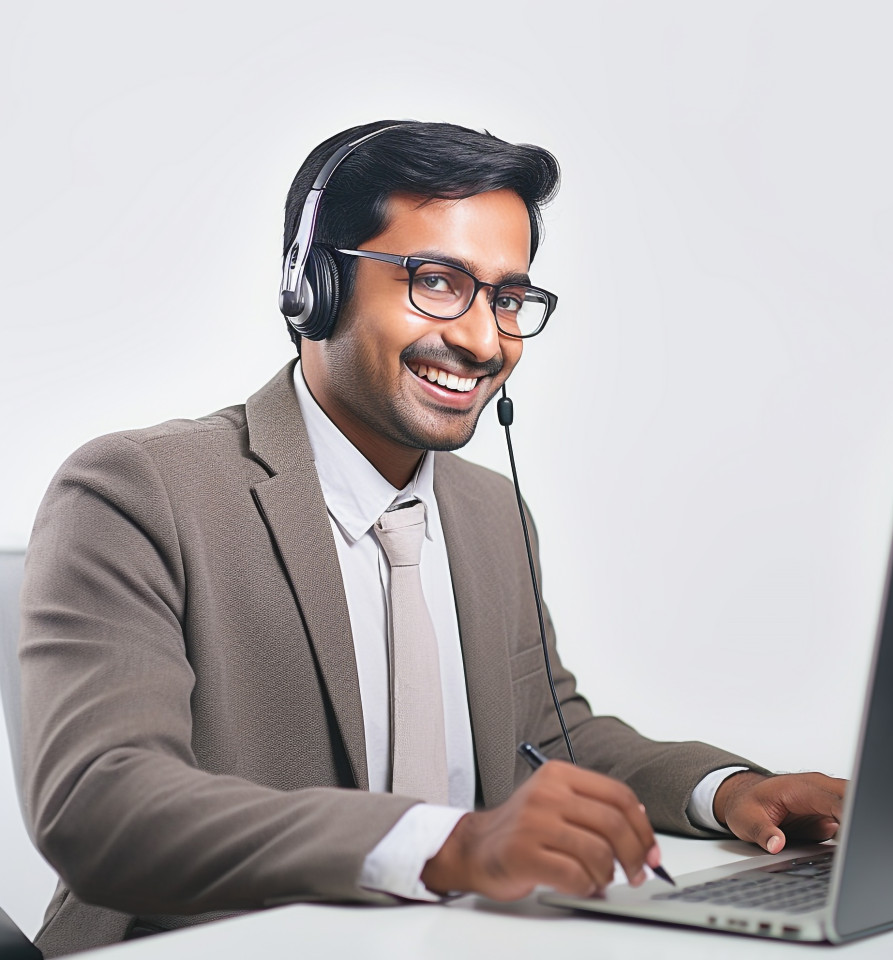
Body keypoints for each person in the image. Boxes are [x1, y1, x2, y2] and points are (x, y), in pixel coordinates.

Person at [19, 120, 845, 958]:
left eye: (508, 298)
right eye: (439, 282)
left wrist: (730, 789)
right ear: (317, 285)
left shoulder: (490, 514)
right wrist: (449, 846)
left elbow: (547, 740)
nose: (486, 342)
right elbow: (102, 803)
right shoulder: (139, 491)